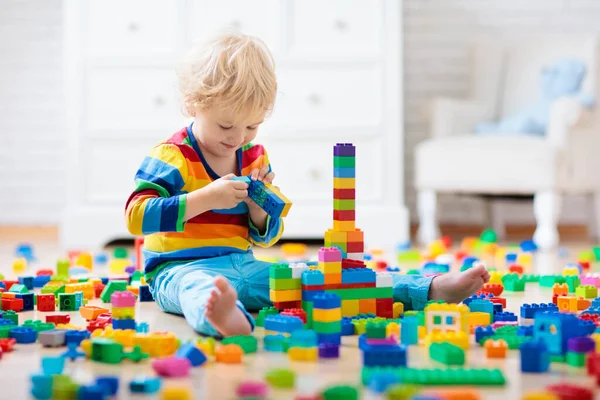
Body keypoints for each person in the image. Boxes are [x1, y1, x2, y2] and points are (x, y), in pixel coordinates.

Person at [125, 31, 490, 338]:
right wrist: (206, 198)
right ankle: (222, 316)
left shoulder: (253, 156)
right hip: (178, 270)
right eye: (225, 126)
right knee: (199, 291)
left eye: (251, 126)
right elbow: (136, 217)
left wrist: (257, 210)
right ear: (193, 104)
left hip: (242, 263)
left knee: (319, 279)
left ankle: (427, 289)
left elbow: (268, 236)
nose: (238, 137)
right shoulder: (172, 155)